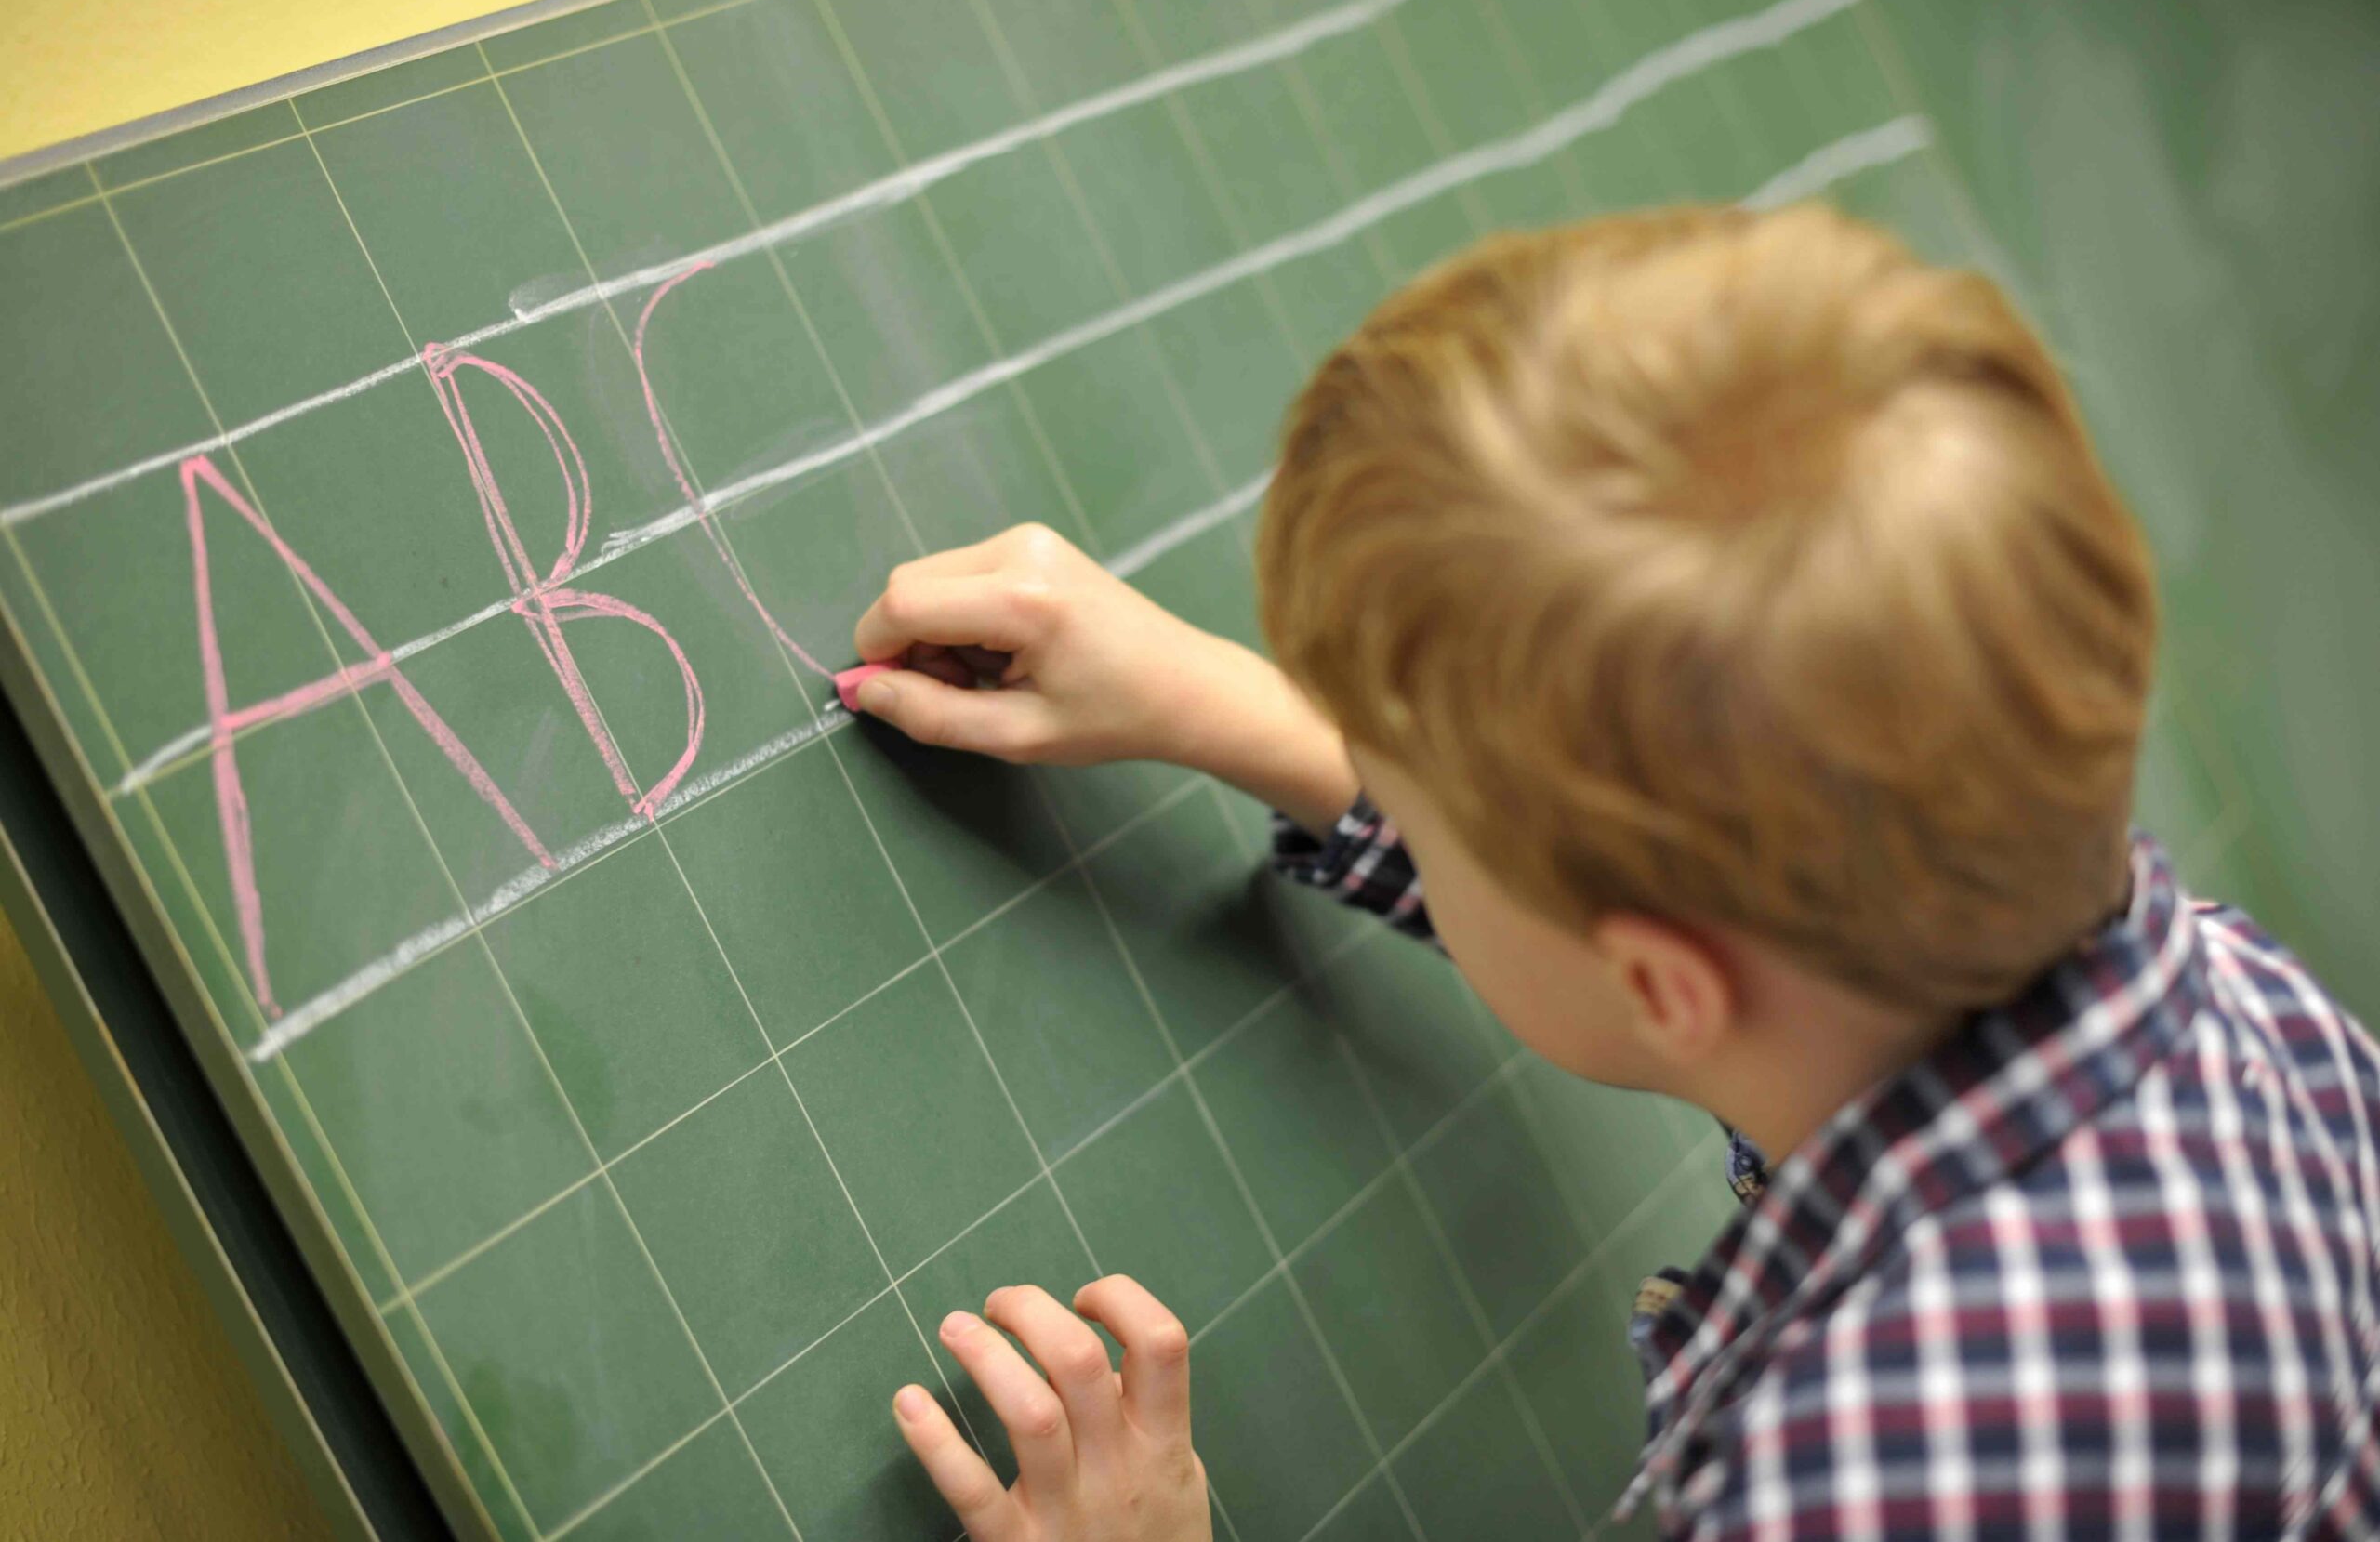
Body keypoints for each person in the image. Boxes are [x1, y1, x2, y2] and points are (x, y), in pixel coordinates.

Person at [853, 206, 2380, 1540]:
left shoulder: (1860, 1484)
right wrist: (1265, 723)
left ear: (1664, 983)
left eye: (1429, 823)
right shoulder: (2236, 1011)